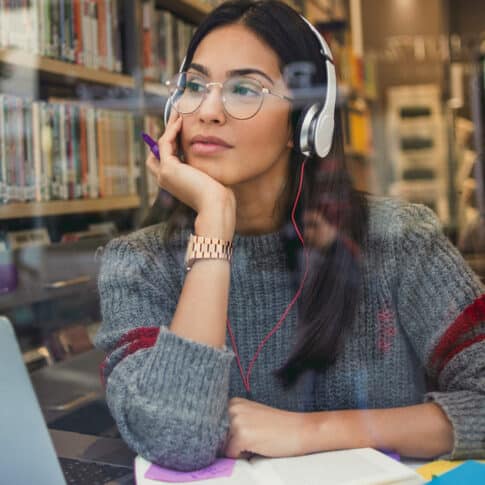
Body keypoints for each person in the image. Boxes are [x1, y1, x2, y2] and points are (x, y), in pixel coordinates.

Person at [94, 0, 485, 472]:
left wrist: (307, 431)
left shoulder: (401, 241)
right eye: (194, 86)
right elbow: (174, 439)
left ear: (306, 121)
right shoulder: (136, 264)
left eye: (244, 89)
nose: (209, 110)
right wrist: (215, 219)